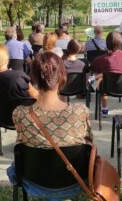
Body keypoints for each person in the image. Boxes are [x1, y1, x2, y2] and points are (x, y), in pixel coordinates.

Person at [8, 52, 93, 200]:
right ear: (62, 76)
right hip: (74, 182)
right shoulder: (80, 112)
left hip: (33, 182)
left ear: (34, 78)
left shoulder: (20, 114)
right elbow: (90, 143)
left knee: (13, 166)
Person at [0, 44, 38, 126]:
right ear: (7, 58)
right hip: (23, 119)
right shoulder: (19, 76)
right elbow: (35, 95)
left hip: (0, 118)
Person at [92, 31, 122, 117]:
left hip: (107, 88)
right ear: (121, 42)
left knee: (99, 80)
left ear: (106, 43)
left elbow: (95, 75)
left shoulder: (99, 59)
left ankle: (104, 109)